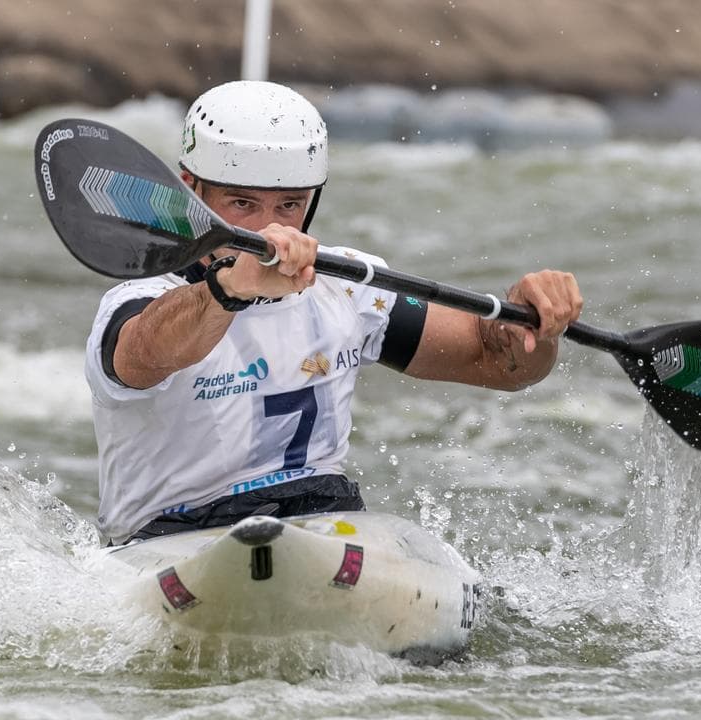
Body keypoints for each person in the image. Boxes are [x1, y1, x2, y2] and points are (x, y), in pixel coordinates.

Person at [85, 81, 582, 546]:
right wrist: (230, 287)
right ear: (191, 191)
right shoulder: (139, 300)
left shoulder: (348, 286)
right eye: (242, 204)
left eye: (289, 205)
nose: (268, 230)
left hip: (317, 528)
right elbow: (144, 354)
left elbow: (500, 366)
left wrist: (530, 327)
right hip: (169, 540)